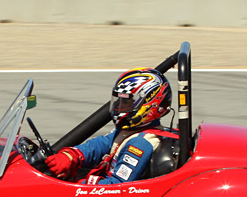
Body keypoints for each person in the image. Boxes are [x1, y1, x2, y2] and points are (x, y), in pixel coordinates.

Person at [45, 68, 178, 185]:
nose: (118, 107)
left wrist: (79, 184)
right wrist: (71, 156)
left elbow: (117, 185)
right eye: (118, 101)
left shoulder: (140, 143)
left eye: (126, 102)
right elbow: (100, 144)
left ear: (149, 105)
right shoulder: (128, 132)